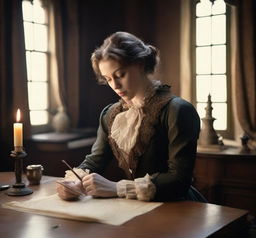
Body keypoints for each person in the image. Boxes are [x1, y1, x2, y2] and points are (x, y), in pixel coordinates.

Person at [56, 31, 206, 202]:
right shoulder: (110, 114)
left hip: (179, 206)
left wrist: (117, 187)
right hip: (136, 207)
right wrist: (74, 182)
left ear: (140, 64)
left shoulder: (178, 110)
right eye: (108, 79)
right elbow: (95, 161)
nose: (115, 85)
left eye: (120, 75)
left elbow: (179, 180)